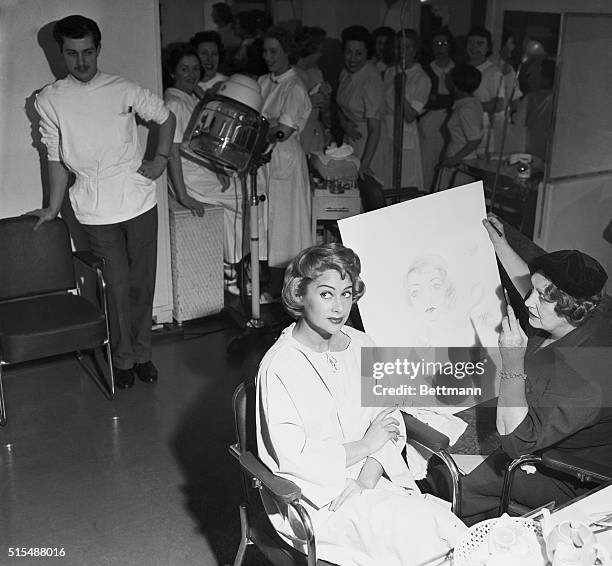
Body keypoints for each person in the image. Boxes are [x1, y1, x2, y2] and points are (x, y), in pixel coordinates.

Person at [256, 243, 467, 566]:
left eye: (346, 293)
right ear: (300, 293)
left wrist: (366, 480)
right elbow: (293, 457)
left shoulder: (362, 345)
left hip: (370, 480)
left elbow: (389, 422)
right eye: (326, 294)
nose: (339, 307)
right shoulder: (279, 367)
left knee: (442, 529)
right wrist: (366, 444)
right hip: (315, 500)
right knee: (425, 534)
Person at [32, 15, 176, 390]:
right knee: (116, 284)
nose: (81, 62)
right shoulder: (50, 100)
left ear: (98, 50)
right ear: (60, 53)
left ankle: (144, 354)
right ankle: (123, 358)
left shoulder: (123, 89)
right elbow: (55, 157)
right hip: (94, 207)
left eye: (88, 52)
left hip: (138, 199)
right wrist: (51, 207)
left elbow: (166, 117)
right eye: (72, 54)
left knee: (142, 284)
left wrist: (159, 159)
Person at [460, 214, 612, 525]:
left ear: (571, 306)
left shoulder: (587, 380)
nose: (529, 302)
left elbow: (516, 443)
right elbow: (534, 287)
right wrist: (500, 243)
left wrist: (513, 361)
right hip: (544, 428)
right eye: (535, 290)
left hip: (565, 472)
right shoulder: (590, 309)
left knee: (455, 482)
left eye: (541, 299)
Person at [163, 44, 245, 295]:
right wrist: (183, 195)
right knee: (245, 201)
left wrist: (219, 166)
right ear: (172, 72)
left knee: (243, 197)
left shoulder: (189, 97)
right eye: (184, 69)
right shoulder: (174, 102)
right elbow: (174, 152)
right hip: (190, 177)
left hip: (201, 169)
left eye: (195, 68)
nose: (191, 74)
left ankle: (232, 266)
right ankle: (232, 269)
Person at [258, 26, 313, 298]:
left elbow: (284, 130)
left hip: (286, 160)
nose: (268, 57)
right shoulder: (263, 82)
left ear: (287, 52)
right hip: (266, 159)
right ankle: (269, 286)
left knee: (287, 228)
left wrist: (262, 128)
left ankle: (290, 292)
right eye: (265, 51)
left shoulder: (295, 87)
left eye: (274, 51)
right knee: (268, 226)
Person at [380, 29, 431, 191]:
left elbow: (410, 116)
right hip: (386, 132)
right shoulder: (389, 71)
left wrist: (400, 91)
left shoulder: (421, 78)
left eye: (407, 47)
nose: (402, 52)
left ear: (415, 50)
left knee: (405, 182)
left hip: (405, 133)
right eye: (398, 47)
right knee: (385, 180)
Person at [336, 26, 385, 181]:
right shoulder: (345, 73)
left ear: (367, 53)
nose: (352, 58)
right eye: (349, 52)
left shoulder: (371, 80)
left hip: (369, 144)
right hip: (350, 138)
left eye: (358, 53)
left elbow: (375, 129)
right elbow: (340, 105)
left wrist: (365, 164)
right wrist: (344, 124)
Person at [437, 63, 483, 190]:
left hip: (460, 163)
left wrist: (454, 159)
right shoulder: (470, 104)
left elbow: (475, 139)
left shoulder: (466, 108)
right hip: (458, 160)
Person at [420, 29, 455, 192]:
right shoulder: (425, 69)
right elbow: (425, 100)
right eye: (436, 44)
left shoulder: (456, 68)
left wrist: (438, 99)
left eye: (444, 44)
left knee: (446, 159)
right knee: (428, 161)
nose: (440, 48)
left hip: (450, 119)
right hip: (429, 120)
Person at [466, 27, 505, 157]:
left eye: (480, 43)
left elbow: (499, 105)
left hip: (482, 130)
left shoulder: (493, 72)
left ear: (488, 47)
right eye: (471, 43)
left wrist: (471, 106)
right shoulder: (461, 69)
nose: (474, 47)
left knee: (478, 172)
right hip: (461, 128)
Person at [294, 26, 331, 155]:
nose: (321, 54)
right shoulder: (290, 74)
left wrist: (325, 102)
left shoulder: (316, 73)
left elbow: (324, 110)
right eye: (319, 50)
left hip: (315, 133)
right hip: (298, 134)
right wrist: (309, 102)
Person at [210, 2, 240, 72]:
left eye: (214, 12)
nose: (211, 15)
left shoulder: (233, 29)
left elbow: (235, 44)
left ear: (220, 14)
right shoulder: (219, 30)